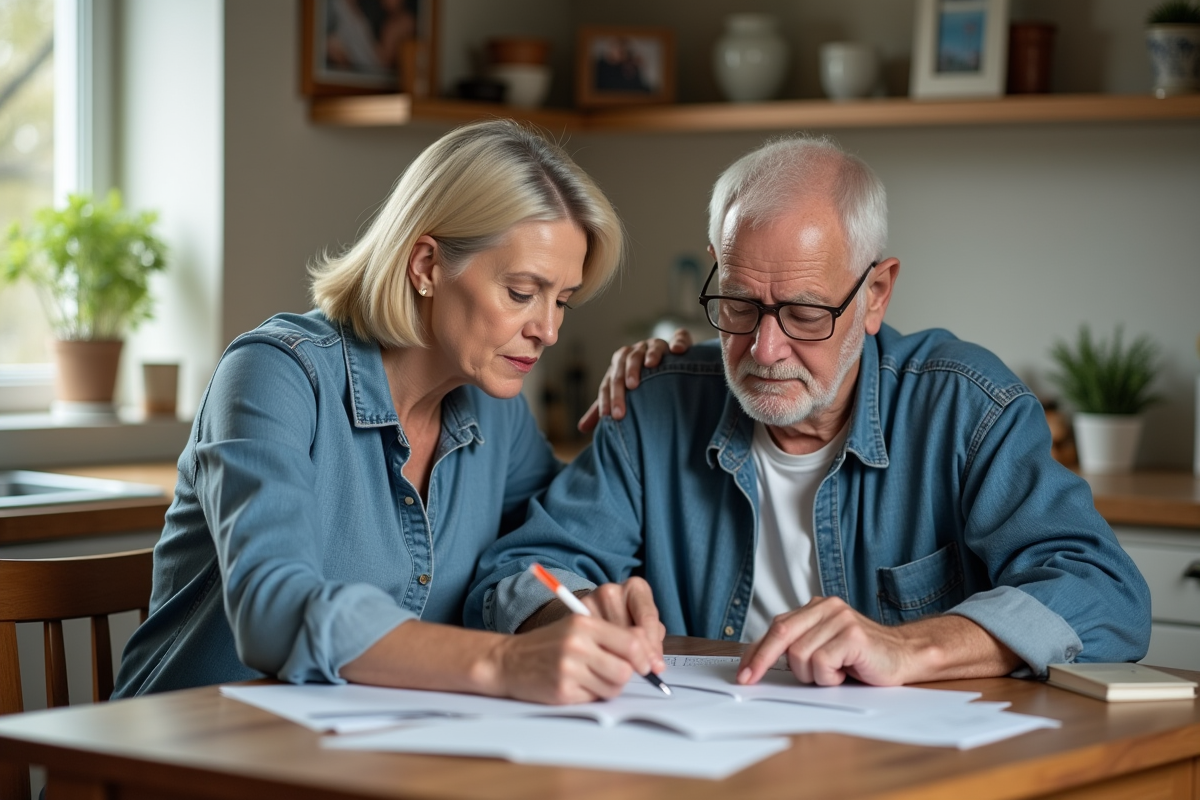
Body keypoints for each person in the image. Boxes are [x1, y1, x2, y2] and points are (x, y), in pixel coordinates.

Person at [466, 134, 1151, 688]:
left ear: (876, 293)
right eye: (737, 304)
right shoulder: (658, 400)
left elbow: (1105, 594)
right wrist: (575, 615)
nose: (764, 349)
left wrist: (914, 648)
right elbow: (520, 575)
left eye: (803, 313)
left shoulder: (967, 408)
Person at [113, 120, 665, 705]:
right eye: (522, 293)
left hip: (351, 762)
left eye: (563, 301)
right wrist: (504, 662)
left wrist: (668, 393)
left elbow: (545, 548)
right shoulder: (275, 374)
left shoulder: (492, 406)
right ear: (426, 265)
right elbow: (272, 608)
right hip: (178, 760)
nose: (548, 330)